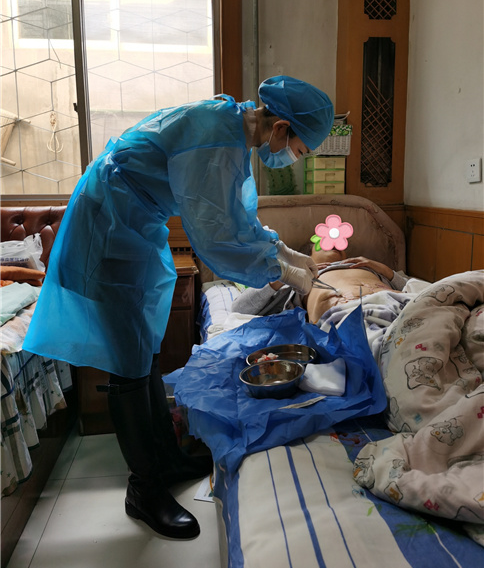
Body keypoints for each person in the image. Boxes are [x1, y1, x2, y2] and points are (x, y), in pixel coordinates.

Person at [23, 76, 334, 539]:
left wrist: (286, 252)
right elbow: (217, 237)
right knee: (127, 363)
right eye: (300, 149)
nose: (294, 158)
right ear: (281, 127)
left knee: (143, 352)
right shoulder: (215, 136)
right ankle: (143, 490)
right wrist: (282, 272)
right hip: (107, 227)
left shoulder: (231, 129)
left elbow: (237, 218)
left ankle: (165, 460)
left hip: (133, 223)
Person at [232, 242, 409, 324]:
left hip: (400, 306)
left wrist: (386, 271)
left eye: (340, 244)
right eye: (323, 242)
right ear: (306, 256)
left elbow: (416, 289)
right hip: (347, 317)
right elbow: (239, 309)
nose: (334, 244)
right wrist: (283, 275)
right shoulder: (297, 279)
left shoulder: (370, 268)